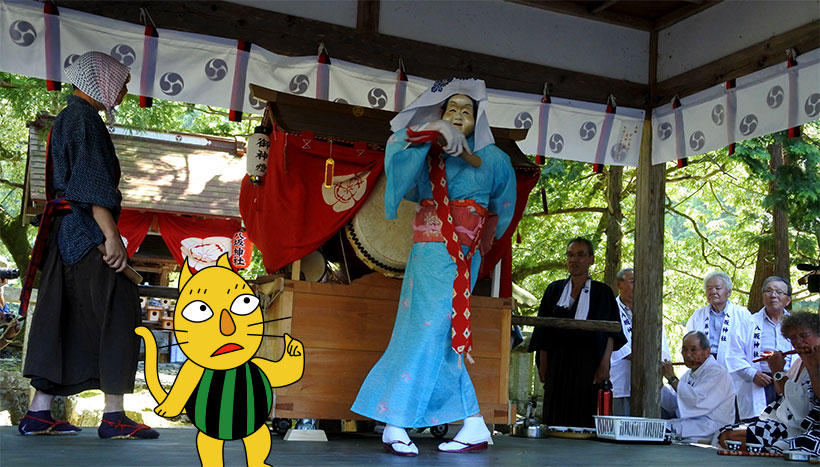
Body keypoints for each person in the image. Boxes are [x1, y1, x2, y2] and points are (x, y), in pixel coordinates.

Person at [351, 78, 517, 456]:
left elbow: (502, 211)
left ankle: (395, 421)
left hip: (461, 254)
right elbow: (397, 152)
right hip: (427, 252)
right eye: (450, 110)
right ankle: (472, 423)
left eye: (466, 111)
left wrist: (475, 239)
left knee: (430, 333)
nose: (458, 116)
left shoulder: (495, 159)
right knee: (435, 335)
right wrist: (433, 131)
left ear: (479, 119)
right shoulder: (429, 152)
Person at [20, 51, 158, 439]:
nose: (125, 90)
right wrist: (110, 235)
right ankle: (114, 417)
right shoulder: (83, 119)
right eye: (123, 82)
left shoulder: (69, 117)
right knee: (118, 309)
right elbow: (89, 183)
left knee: (61, 314)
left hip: (66, 236)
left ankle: (38, 412)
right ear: (102, 80)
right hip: (86, 232)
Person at [528, 238, 626, 428]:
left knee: (583, 416)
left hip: (588, 364)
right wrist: (543, 362)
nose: (575, 260)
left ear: (591, 259)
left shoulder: (602, 292)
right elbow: (542, 331)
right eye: (570, 255)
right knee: (554, 416)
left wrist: (604, 365)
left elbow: (611, 334)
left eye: (581, 255)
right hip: (557, 362)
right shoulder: (554, 290)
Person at [718, 312, 820, 454]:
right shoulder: (799, 362)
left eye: (804, 336)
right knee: (726, 435)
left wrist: (811, 365)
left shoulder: (812, 361)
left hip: (803, 426)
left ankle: (778, 446)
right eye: (792, 338)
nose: (798, 342)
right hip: (782, 421)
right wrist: (775, 369)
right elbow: (781, 391)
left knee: (734, 437)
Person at [725, 276, 795, 421]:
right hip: (760, 381)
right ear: (762, 296)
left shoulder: (796, 324)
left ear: (788, 300)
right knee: (757, 428)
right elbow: (733, 355)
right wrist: (752, 374)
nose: (773, 295)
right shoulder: (748, 322)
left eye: (779, 292)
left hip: (790, 380)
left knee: (788, 424)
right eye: (768, 291)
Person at [609, 267, 670, 416]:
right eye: (633, 281)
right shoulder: (610, 308)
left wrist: (660, 362)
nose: (638, 285)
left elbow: (661, 342)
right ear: (619, 284)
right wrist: (645, 359)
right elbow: (618, 346)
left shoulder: (649, 309)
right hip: (621, 380)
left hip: (648, 381)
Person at [661, 331, 735, 443]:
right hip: (693, 425)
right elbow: (674, 404)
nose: (688, 355)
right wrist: (659, 384)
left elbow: (696, 401)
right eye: (684, 350)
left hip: (712, 427)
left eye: (693, 350)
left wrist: (672, 379)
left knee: (663, 430)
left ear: (707, 351)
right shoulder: (688, 376)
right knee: (659, 427)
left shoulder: (717, 373)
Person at [685, 271, 751, 369]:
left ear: (729, 292)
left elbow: (750, 343)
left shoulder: (742, 314)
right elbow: (688, 341)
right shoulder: (698, 315)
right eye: (709, 289)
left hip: (734, 367)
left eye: (718, 288)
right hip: (704, 366)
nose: (713, 292)